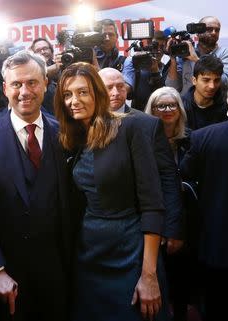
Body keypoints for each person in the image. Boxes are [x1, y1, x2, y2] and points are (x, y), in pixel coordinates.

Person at [0, 50, 71, 321]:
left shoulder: (67, 135)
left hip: (59, 273)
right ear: (5, 88)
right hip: (6, 277)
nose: (25, 91)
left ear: (46, 83)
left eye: (32, 82)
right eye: (16, 84)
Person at [54, 62, 169, 321]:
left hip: (130, 249)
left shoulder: (132, 128)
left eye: (83, 92)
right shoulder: (71, 138)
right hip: (89, 251)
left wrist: (149, 275)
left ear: (98, 93)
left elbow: (152, 204)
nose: (74, 101)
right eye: (68, 95)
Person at [98, 68, 183, 248]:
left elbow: (168, 176)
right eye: (108, 87)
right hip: (97, 228)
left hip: (141, 224)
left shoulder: (148, 124)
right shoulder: (85, 124)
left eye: (120, 87)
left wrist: (172, 226)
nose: (115, 93)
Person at [180, 78, 228, 321]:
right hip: (218, 245)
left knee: (219, 310)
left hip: (218, 245)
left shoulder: (204, 137)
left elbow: (183, 180)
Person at [145, 87, 198, 321]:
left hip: (186, 216)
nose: (167, 110)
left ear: (180, 109)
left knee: (181, 276)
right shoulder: (143, 140)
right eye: (160, 106)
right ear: (151, 110)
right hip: (154, 216)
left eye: (172, 105)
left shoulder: (192, 139)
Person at [165, 16, 228, 95]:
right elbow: (172, 87)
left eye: (217, 30)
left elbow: (224, 82)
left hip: (213, 106)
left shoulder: (226, 53)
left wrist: (196, 60)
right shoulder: (187, 52)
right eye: (209, 29)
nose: (214, 32)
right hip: (186, 105)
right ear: (197, 32)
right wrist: (173, 59)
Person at [123, 30, 170, 110]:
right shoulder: (136, 66)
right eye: (155, 46)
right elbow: (129, 96)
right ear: (148, 45)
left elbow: (163, 97)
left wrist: (155, 72)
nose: (158, 50)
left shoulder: (167, 69)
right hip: (139, 115)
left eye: (162, 47)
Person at [181, 55, 228, 130]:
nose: (212, 86)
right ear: (194, 80)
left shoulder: (227, 106)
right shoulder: (181, 106)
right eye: (206, 80)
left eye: (216, 80)